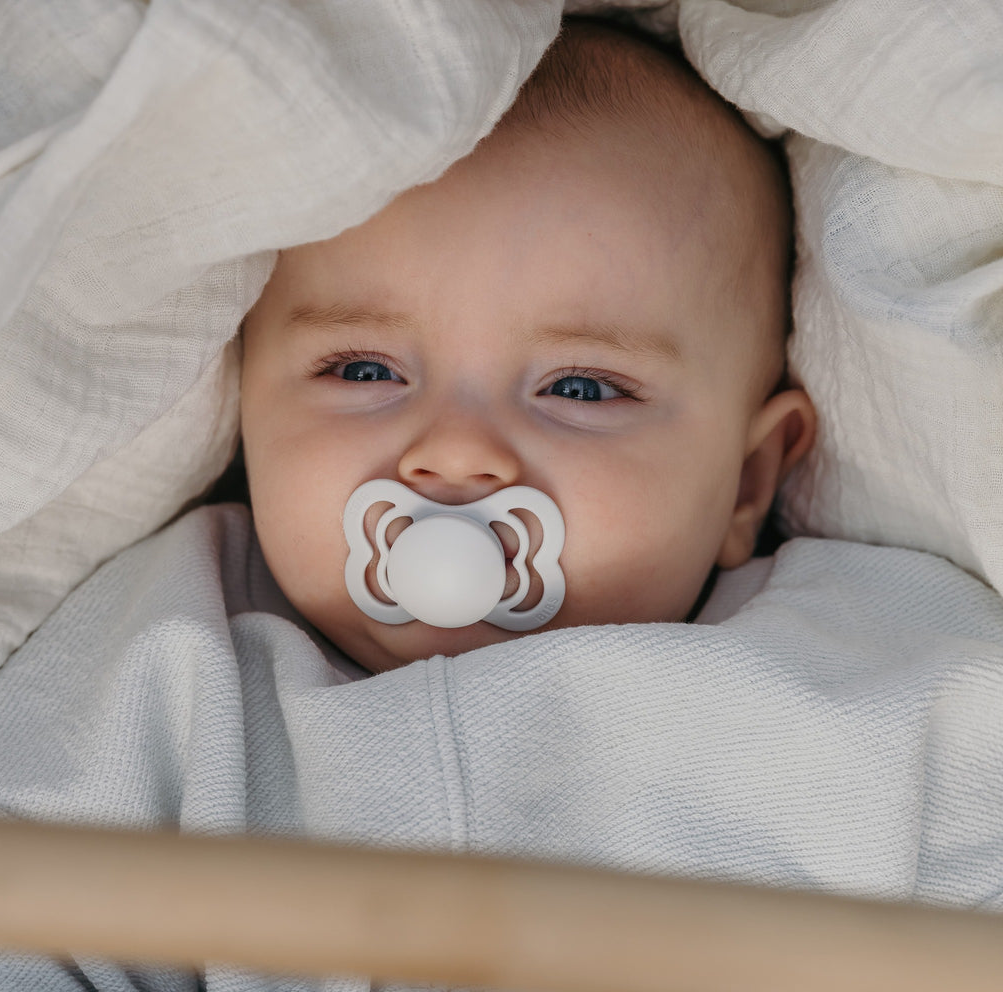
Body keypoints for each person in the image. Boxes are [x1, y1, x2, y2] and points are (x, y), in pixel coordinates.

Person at [238, 16, 816, 673]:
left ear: (746, 482)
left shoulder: (819, 677)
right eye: (365, 371)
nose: (456, 456)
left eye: (580, 389)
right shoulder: (181, 660)